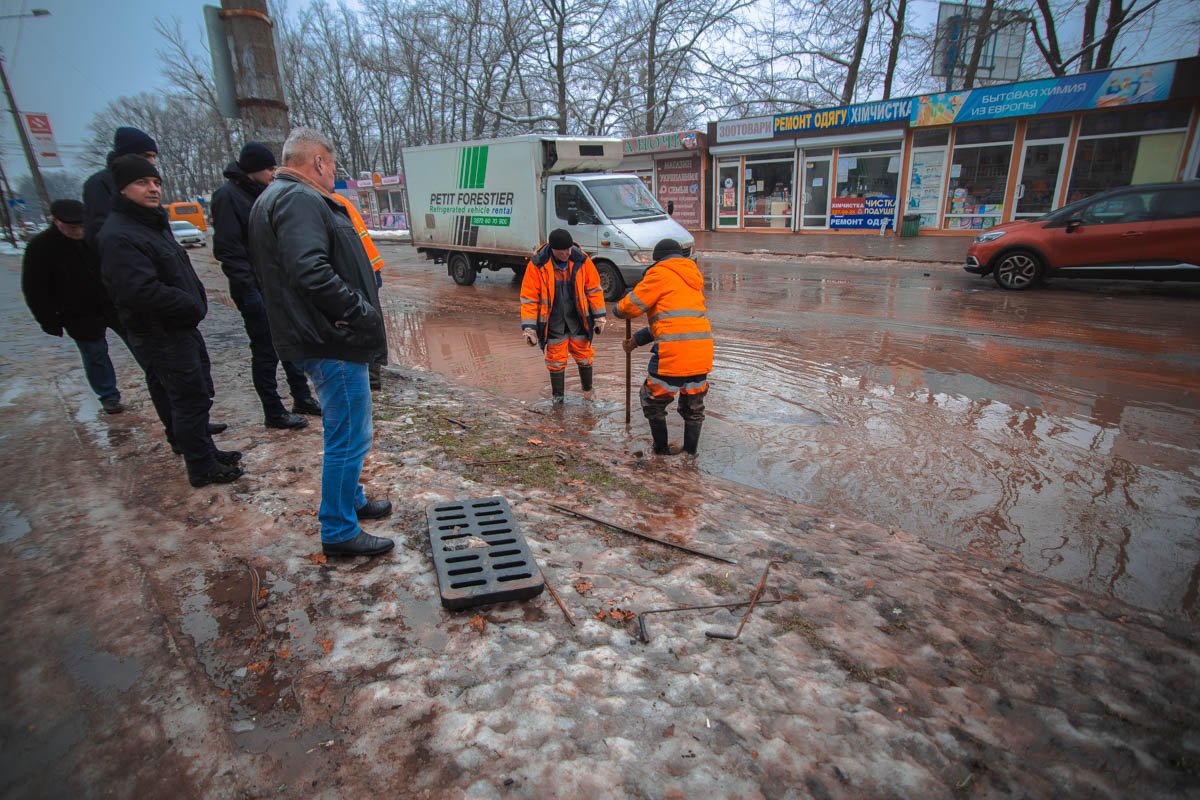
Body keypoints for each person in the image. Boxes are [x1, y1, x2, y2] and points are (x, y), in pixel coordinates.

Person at [247, 127, 393, 558]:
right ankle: (338, 529)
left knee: (344, 429)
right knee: (348, 435)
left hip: (319, 333)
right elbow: (310, 271)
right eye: (332, 165)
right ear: (319, 163)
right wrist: (358, 312)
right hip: (331, 338)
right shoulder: (299, 199)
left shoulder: (275, 197)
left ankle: (350, 500)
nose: (333, 173)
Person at [97, 155, 243, 487]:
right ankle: (201, 466)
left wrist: (193, 300)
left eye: (155, 183)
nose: (152, 189)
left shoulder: (149, 224)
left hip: (179, 327)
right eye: (142, 183)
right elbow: (139, 291)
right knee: (187, 398)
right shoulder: (120, 235)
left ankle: (205, 451)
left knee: (198, 392)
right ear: (122, 189)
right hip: (160, 332)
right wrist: (188, 303)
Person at [211, 142, 319, 429]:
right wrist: (249, 290)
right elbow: (229, 250)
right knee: (265, 351)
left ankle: (302, 397)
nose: (273, 172)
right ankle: (273, 411)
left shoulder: (267, 194)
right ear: (252, 170)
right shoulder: (228, 197)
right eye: (269, 168)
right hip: (255, 289)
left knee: (293, 344)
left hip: (279, 287)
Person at [21, 199, 127, 414]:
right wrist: (49, 320)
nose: (78, 231)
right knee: (95, 353)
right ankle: (108, 395)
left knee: (141, 343)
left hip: (113, 304)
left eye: (81, 225)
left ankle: (162, 384)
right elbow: (34, 288)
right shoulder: (41, 247)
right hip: (78, 313)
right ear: (56, 222)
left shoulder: (96, 237)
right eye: (72, 227)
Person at [614, 238, 713, 456]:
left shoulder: (660, 273)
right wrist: (635, 342)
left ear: (657, 259)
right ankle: (689, 453)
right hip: (701, 353)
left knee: (652, 401)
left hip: (673, 355)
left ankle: (660, 451)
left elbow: (631, 306)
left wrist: (618, 309)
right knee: (693, 407)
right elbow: (670, 322)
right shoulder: (692, 277)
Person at [519, 228, 606, 402]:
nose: (567, 253)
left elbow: (594, 290)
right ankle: (558, 400)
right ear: (552, 249)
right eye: (562, 251)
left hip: (578, 320)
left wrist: (599, 316)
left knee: (585, 355)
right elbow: (529, 298)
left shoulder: (582, 260)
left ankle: (588, 393)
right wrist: (529, 329)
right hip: (553, 322)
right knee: (556, 360)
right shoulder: (537, 265)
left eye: (569, 249)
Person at [328, 192, 386, 391]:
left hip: (358, 271)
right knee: (369, 317)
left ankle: (370, 376)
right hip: (368, 267)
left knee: (362, 319)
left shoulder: (328, 204)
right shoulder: (339, 201)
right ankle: (372, 374)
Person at [83, 126, 159, 249]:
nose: (152, 162)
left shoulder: (149, 185)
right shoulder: (100, 183)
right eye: (146, 156)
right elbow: (100, 231)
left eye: (154, 156)